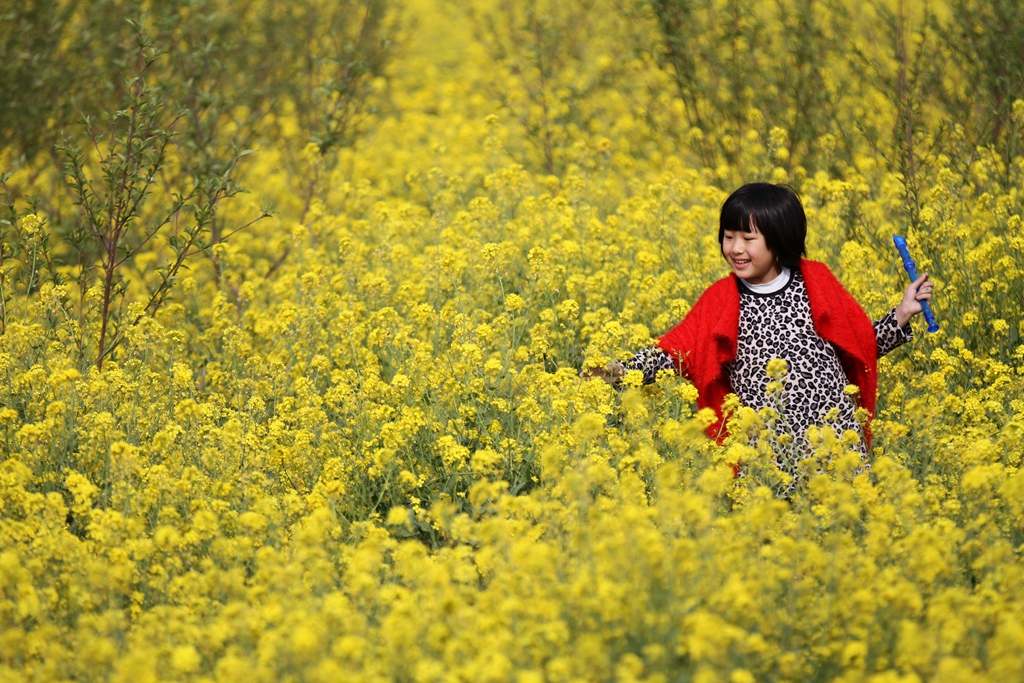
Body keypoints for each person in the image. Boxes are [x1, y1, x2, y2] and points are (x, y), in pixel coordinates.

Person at [583, 182, 934, 495]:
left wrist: (901, 313)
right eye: (728, 236)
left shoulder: (817, 282)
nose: (735, 248)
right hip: (767, 461)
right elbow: (674, 352)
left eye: (748, 239)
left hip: (836, 449)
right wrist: (619, 372)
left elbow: (857, 346)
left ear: (779, 239)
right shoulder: (721, 299)